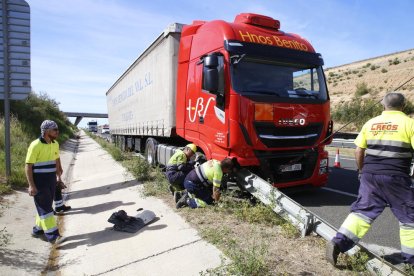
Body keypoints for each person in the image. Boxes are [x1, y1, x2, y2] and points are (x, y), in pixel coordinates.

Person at [326, 93, 414, 266]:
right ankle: (411, 261)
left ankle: (338, 243)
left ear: (383, 105)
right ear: (403, 106)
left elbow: (358, 151)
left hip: (369, 175)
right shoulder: (409, 124)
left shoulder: (371, 123)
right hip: (396, 176)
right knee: (409, 218)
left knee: (362, 212)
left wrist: (361, 171)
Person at [26, 120, 66, 244]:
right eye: (55, 130)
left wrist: (59, 178)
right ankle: (53, 236)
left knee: (45, 207)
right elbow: (28, 166)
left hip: (51, 180)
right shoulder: (35, 145)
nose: (57, 132)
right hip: (39, 181)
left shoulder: (55, 144)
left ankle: (38, 230)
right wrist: (31, 185)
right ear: (47, 131)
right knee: (46, 209)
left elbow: (56, 160)